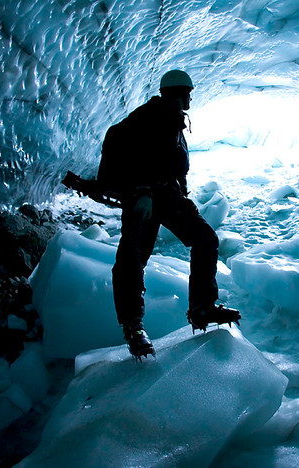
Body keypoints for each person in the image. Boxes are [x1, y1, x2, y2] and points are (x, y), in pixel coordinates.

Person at [97, 70, 240, 359]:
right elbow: (147, 156)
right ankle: (134, 326)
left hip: (164, 195)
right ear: (179, 92)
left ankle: (199, 308)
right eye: (188, 92)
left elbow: (169, 161)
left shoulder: (168, 115)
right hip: (147, 197)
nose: (190, 97)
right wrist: (145, 192)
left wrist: (179, 195)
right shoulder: (157, 115)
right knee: (134, 256)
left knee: (199, 241)